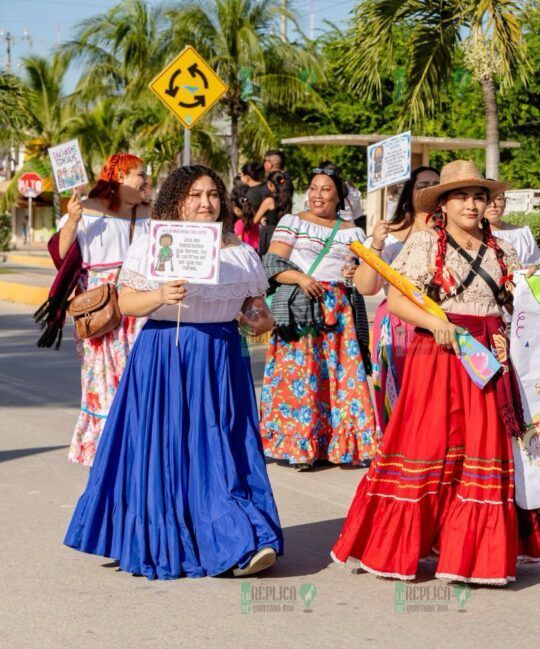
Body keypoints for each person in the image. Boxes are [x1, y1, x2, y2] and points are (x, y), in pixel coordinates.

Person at [332, 160, 540, 585]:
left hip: (487, 357)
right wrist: (436, 324)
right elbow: (397, 300)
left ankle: (470, 557)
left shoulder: (502, 248)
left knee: (481, 450)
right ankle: (399, 547)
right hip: (440, 354)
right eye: (461, 196)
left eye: (478, 196)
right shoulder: (427, 243)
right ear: (443, 205)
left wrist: (529, 291)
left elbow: (510, 303)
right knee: (426, 445)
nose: (471, 204)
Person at [64, 165, 283, 580]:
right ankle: (207, 539)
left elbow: (256, 308)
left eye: (213, 194)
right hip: (166, 354)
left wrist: (258, 318)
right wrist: (160, 295)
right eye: (195, 195)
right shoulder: (152, 242)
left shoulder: (239, 250)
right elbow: (125, 304)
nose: (206, 202)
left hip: (220, 357)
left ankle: (239, 536)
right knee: (168, 452)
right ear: (177, 200)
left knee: (220, 448)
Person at [260, 162, 379, 471]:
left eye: (325, 190)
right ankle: (303, 445)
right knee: (304, 375)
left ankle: (342, 445)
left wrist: (357, 267)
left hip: (339, 311)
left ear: (338, 196)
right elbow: (272, 262)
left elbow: (366, 269)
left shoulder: (352, 231)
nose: (317, 195)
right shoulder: (292, 222)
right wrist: (301, 279)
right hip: (304, 306)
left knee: (342, 377)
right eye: (313, 188)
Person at [53, 153, 150, 466]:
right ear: (120, 176)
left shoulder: (149, 214)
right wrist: (72, 218)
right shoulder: (89, 211)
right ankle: (108, 455)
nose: (145, 181)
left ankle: (136, 449)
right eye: (140, 175)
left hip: (139, 309)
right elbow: (61, 253)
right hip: (100, 311)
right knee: (103, 383)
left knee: (138, 383)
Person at [353, 165, 440, 431]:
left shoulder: (452, 235)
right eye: (422, 184)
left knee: (434, 397)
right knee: (397, 397)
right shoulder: (388, 237)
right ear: (410, 191)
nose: (429, 190)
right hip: (396, 326)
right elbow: (366, 287)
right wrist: (377, 246)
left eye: (436, 184)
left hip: (438, 323)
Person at [484, 187, 540, 274]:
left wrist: (533, 268)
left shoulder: (522, 232)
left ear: (505, 202)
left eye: (498, 199)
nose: (493, 205)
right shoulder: (470, 236)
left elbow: (535, 262)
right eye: (488, 199)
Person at [231, 184, 260, 250]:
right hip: (257, 251)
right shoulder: (255, 220)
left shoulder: (239, 224)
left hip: (247, 252)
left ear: (237, 209)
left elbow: (239, 243)